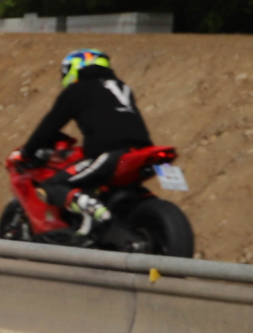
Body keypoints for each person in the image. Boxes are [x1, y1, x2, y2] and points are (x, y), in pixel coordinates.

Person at [20, 48, 154, 230]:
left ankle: (92, 207)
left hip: (112, 153)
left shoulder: (79, 89)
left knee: (52, 185)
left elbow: (49, 126)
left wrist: (27, 151)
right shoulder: (121, 87)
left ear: (76, 68)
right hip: (144, 151)